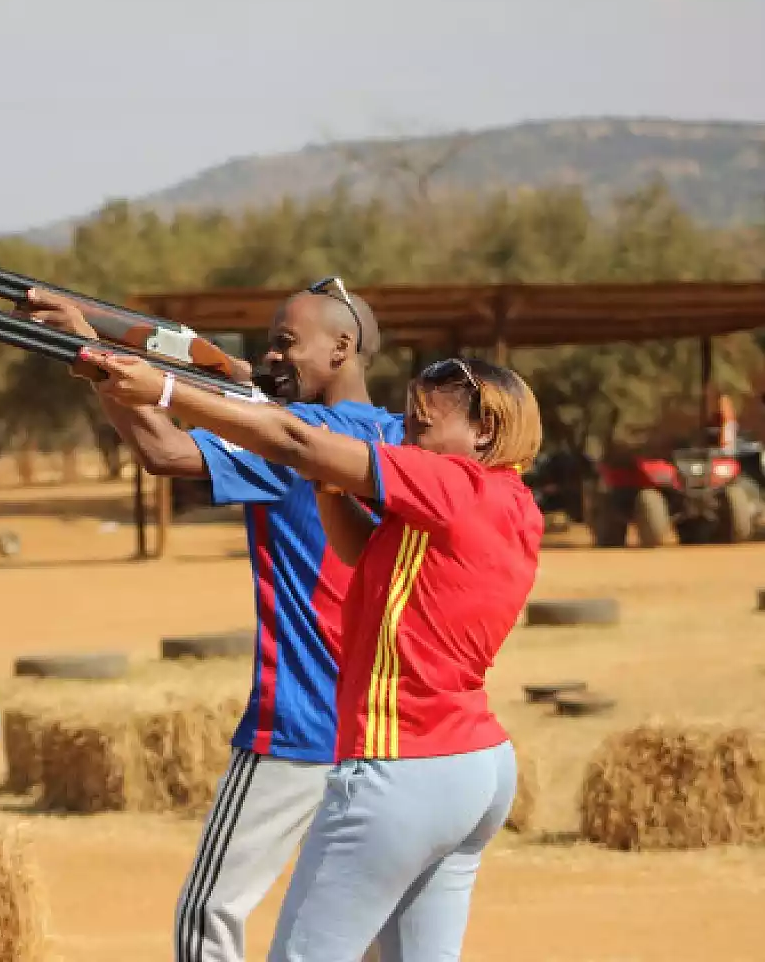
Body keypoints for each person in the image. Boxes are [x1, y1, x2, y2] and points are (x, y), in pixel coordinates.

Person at [86, 349, 543, 962]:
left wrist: (164, 389)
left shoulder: (452, 485)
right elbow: (361, 549)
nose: (408, 432)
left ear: (485, 429)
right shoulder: (505, 500)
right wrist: (330, 483)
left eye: (423, 425)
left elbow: (296, 440)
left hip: (404, 763)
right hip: (473, 767)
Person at [25, 280, 404, 962]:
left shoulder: (295, 442)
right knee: (365, 929)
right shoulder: (403, 444)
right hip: (387, 731)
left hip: (298, 723)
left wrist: (93, 358)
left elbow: (165, 453)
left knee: (209, 914)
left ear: (342, 347)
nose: (271, 353)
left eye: (287, 342)